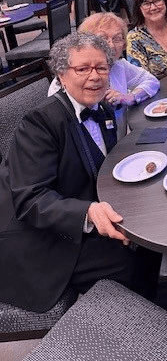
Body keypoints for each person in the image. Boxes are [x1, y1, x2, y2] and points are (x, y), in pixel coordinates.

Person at [0, 33, 142, 313]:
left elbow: (101, 167)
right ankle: (131, 333)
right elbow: (31, 200)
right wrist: (88, 212)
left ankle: (154, 313)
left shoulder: (101, 107)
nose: (95, 76)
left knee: (146, 236)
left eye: (101, 68)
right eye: (83, 69)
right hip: (38, 239)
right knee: (124, 260)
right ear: (62, 76)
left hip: (78, 215)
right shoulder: (39, 123)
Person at [48, 13, 159, 138]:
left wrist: (129, 97)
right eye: (103, 38)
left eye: (117, 39)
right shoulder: (65, 79)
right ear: (85, 42)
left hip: (120, 144)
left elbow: (151, 81)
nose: (111, 45)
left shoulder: (119, 66)